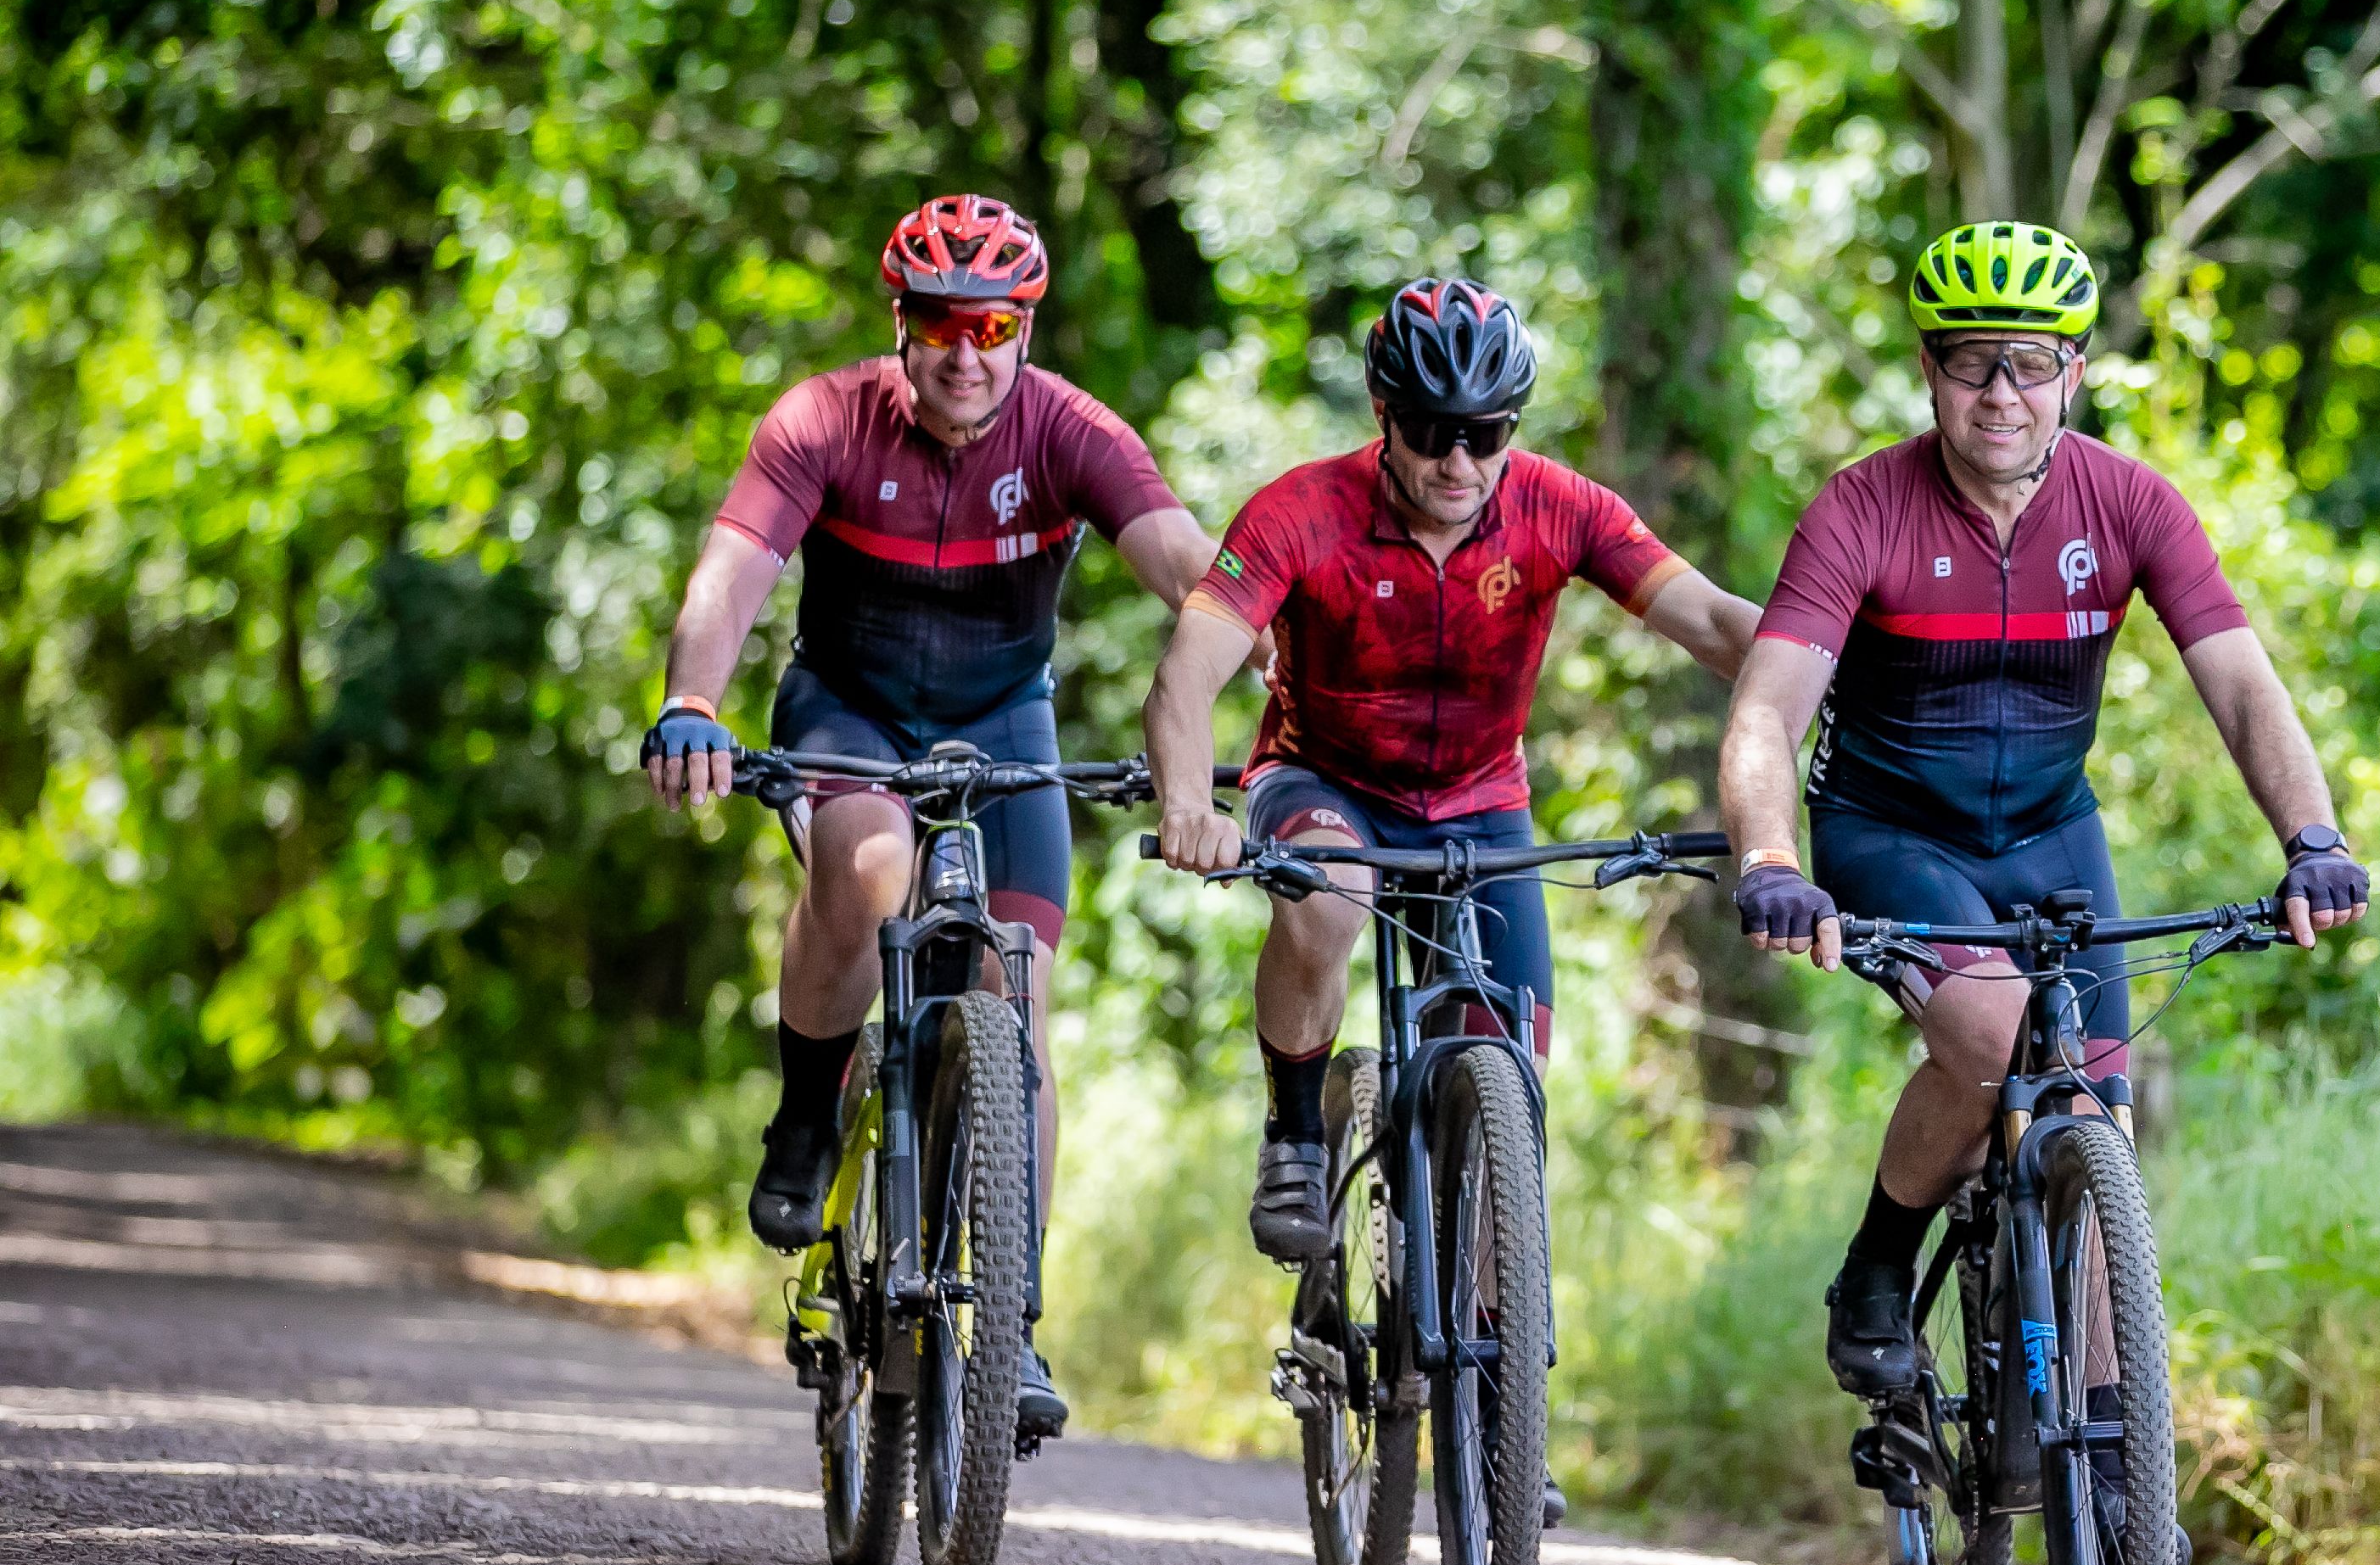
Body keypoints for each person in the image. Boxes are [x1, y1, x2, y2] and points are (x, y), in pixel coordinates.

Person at [1715, 221, 2372, 1411]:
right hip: (1890, 833)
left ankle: (2116, 1454)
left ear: (2075, 370)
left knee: (2097, 1116)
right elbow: (1766, 711)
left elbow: (2241, 685)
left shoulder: (2129, 504)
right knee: (1993, 1038)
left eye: (2028, 363)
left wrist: (2312, 837)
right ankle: (1878, 1264)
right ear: (1931, 370)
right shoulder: (1862, 509)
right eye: (1972, 362)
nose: (2000, 393)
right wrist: (1769, 857)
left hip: (2053, 836)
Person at [642, 193, 1217, 1442]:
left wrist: (1272, 665)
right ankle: (807, 1114)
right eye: (943, 325)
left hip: (1005, 726)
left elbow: (1188, 567)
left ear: (1026, 330)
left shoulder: (1072, 432)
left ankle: (1011, 1322)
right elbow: (732, 574)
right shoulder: (823, 420)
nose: (968, 354)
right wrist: (692, 701)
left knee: (1021, 997)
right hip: (846, 712)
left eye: (993, 326)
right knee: (868, 868)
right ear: (901, 322)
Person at [1144, 277, 1759, 1269]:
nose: (1460, 461)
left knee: (1513, 1088)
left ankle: (1482, 1326)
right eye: (1433, 433)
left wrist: (1846, 685)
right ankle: (1296, 1133)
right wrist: (1185, 803)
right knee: (1333, 897)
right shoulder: (1302, 511)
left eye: (1487, 432)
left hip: (1480, 800)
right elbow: (1187, 676)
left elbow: (1720, 625)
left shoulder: (1558, 505)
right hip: (1322, 780)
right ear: (1383, 414)